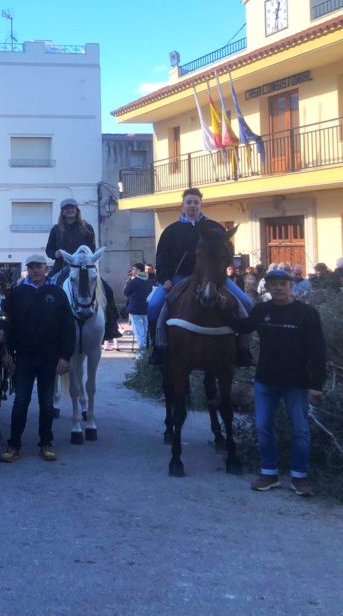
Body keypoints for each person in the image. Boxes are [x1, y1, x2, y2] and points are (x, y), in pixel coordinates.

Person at [227, 268, 326, 496]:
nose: (278, 288)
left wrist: (316, 384)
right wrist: (220, 310)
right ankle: (269, 473)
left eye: (283, 283)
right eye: (273, 284)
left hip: (297, 384)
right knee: (263, 428)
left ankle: (299, 477)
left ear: (291, 286)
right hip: (266, 381)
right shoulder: (261, 310)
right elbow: (242, 327)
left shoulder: (307, 313)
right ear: (268, 288)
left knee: (300, 430)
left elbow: (318, 350)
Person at [148, 187, 252, 365]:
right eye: (189, 202)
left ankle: (243, 350)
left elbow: (227, 252)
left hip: (213, 277)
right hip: (179, 277)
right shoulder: (171, 230)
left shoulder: (215, 227)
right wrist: (164, 279)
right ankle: (158, 349)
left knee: (247, 304)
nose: (192, 206)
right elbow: (162, 257)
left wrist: (222, 270)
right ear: (182, 205)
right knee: (154, 306)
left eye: (196, 202)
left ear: (201, 204)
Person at [0, 253, 75, 464]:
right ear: (27, 269)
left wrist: (65, 356)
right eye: (31, 267)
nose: (35, 270)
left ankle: (46, 443)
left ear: (46, 268)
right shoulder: (18, 293)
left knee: (46, 402)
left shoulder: (57, 293)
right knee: (21, 401)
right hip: (24, 357)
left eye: (39, 267)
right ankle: (13, 445)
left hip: (49, 358)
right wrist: (7, 352)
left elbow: (67, 327)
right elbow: (10, 324)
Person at [45, 198, 120, 343]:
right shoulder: (56, 229)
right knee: (47, 289)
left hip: (83, 267)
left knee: (107, 290)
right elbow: (49, 249)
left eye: (72, 208)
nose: (69, 210)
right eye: (66, 208)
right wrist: (55, 254)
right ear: (62, 212)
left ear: (77, 210)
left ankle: (111, 327)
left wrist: (82, 257)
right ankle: (47, 326)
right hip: (61, 266)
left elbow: (91, 248)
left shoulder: (87, 228)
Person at [123, 263, 151, 354]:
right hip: (147, 309)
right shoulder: (149, 280)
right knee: (146, 331)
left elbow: (126, 292)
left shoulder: (134, 281)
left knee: (139, 332)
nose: (132, 271)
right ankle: (147, 351)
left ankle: (142, 353)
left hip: (136, 309)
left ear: (139, 270)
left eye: (134, 269)